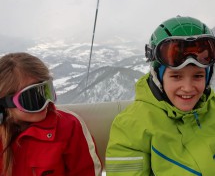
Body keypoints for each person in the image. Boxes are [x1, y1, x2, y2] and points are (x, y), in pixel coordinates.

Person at [105, 16, 215, 175]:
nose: (188, 88)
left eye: (198, 76)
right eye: (176, 76)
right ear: (158, 77)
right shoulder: (131, 127)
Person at [0, 52, 102, 176]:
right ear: (6, 103)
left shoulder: (68, 126)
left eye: (46, 91)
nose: (45, 103)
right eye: (32, 98)